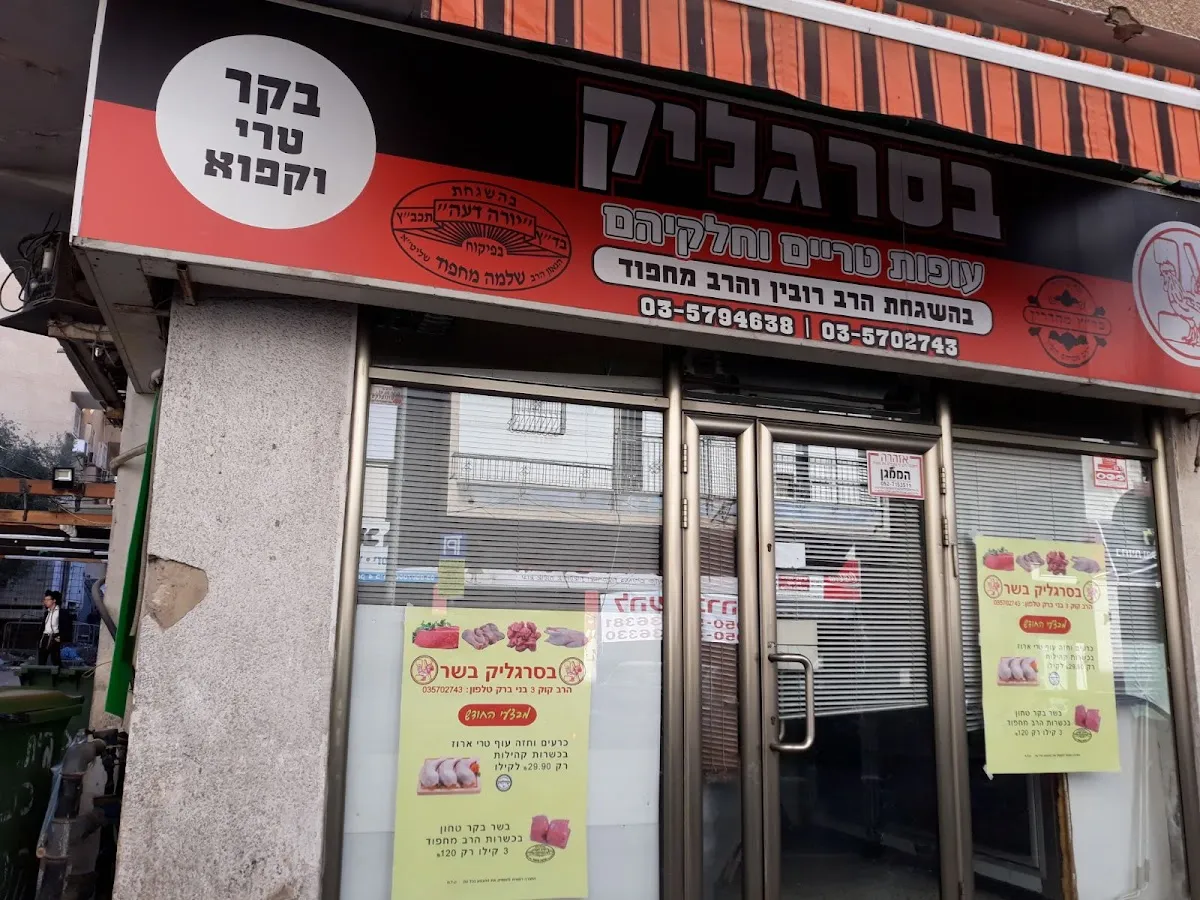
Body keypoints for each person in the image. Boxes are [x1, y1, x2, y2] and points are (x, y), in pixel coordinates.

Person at [38, 590, 64, 667]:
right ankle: (41, 673)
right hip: (45, 637)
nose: (45, 601)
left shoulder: (61, 612)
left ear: (54, 600)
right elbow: (44, 626)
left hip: (55, 637)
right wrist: (40, 637)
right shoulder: (47, 613)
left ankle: (59, 672)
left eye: (48, 600)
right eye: (45, 600)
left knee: (55, 659)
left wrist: (59, 638)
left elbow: (66, 627)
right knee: (41, 659)